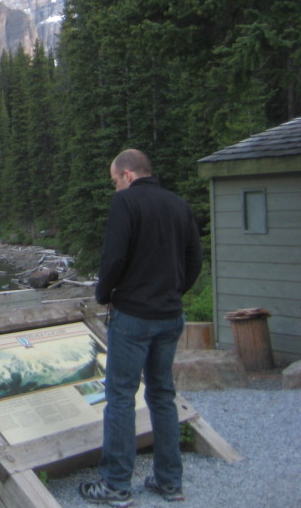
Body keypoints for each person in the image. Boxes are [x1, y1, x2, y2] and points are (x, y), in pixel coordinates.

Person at [79, 149, 202, 506]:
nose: (115, 188)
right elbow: (194, 258)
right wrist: (175, 291)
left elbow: (115, 256)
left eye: (115, 180)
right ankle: (169, 482)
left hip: (133, 316)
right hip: (169, 315)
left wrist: (104, 293)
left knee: (119, 396)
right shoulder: (178, 204)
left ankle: (116, 485)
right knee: (163, 395)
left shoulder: (127, 203)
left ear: (128, 175)